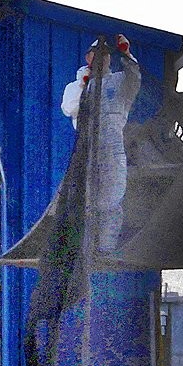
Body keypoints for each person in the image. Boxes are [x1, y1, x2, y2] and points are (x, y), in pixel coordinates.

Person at [59, 34, 141, 255]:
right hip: (86, 147)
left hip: (113, 147)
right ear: (88, 58)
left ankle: (106, 247)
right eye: (96, 55)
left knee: (112, 197)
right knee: (84, 199)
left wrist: (126, 53)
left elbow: (135, 79)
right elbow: (70, 108)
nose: (101, 60)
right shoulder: (76, 85)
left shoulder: (119, 82)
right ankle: (83, 248)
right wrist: (83, 85)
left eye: (105, 56)